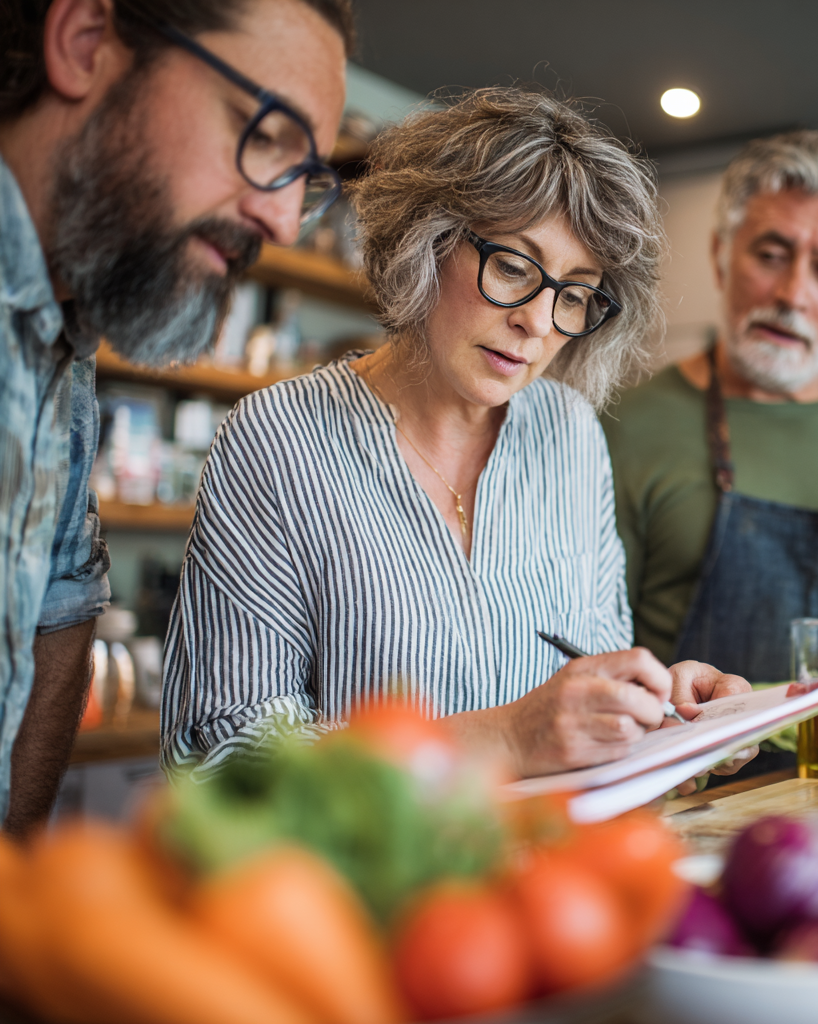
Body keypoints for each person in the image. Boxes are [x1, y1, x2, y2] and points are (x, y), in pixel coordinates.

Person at [162, 88, 758, 782]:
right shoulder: (278, 438)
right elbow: (219, 759)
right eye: (513, 265)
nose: (539, 322)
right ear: (428, 239)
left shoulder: (569, 436)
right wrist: (505, 739)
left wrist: (663, 717)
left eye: (573, 293)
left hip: (547, 883)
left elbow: (587, 697)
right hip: (358, 888)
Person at [0, 0, 352, 835]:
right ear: (87, 45)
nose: (277, 217)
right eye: (264, 133)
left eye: (306, 178)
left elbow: (62, 601)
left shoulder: (65, 332)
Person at [602, 130, 818, 778]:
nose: (792, 292)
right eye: (771, 253)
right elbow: (592, 657)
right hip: (691, 811)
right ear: (721, 254)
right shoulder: (629, 424)